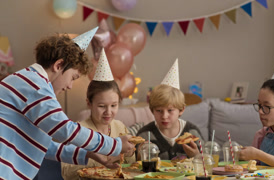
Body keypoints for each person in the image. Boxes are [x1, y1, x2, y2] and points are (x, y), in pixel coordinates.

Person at [0, 29, 134, 179]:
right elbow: (65, 130)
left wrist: (89, 153)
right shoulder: (35, 86)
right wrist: (114, 145)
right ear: (59, 65)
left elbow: (44, 147)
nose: (70, 86)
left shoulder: (27, 80)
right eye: (73, 77)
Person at [61, 49, 135, 180]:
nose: (108, 112)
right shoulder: (79, 131)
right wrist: (107, 157)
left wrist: (130, 153)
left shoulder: (120, 128)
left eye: (114, 105)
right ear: (89, 103)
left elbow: (131, 166)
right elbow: (67, 172)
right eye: (102, 106)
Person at [136, 59, 204, 160]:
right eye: (159, 111)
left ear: (181, 110)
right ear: (152, 110)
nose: (164, 116)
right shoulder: (145, 134)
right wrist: (140, 154)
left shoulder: (192, 132)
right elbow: (136, 167)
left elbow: (207, 163)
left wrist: (196, 155)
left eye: (170, 110)